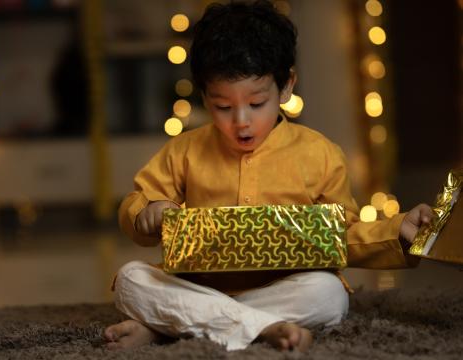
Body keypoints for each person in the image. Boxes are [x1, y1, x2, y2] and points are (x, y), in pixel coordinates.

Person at [104, 0, 433, 352]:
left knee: (330, 294)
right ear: (204, 96)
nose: (241, 121)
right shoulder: (185, 149)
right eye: (224, 107)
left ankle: (170, 329)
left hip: (283, 290)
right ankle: (259, 327)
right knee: (130, 280)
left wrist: (395, 230)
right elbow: (137, 202)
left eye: (256, 104)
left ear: (286, 86)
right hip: (199, 287)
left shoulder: (320, 154)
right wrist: (148, 211)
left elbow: (341, 235)